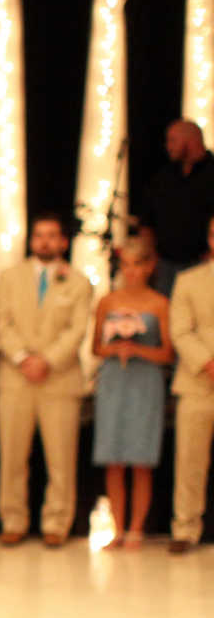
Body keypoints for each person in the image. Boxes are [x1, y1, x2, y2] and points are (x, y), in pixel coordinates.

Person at [0, 214, 94, 547]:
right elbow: (2, 322)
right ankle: (13, 519)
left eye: (52, 236)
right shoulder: (9, 277)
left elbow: (76, 329)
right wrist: (22, 358)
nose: (45, 242)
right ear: (31, 240)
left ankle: (57, 522)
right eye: (39, 236)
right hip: (15, 378)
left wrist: (47, 360)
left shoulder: (79, 281)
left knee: (60, 457)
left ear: (63, 242)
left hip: (59, 380)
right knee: (11, 455)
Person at [91, 239, 173, 549]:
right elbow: (95, 347)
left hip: (145, 381)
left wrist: (138, 349)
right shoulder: (107, 302)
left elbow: (168, 353)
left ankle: (137, 528)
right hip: (114, 380)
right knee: (113, 457)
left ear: (150, 267)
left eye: (138, 264)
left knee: (140, 457)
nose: (132, 271)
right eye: (126, 264)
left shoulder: (159, 304)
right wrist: (114, 348)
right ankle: (118, 528)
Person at [169, 219, 214, 553]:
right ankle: (185, 528)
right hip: (198, 382)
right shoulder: (188, 280)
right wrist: (208, 363)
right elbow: (181, 330)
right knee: (190, 460)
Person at [139, 119, 214, 297]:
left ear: (191, 140)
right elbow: (147, 222)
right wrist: (151, 257)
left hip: (203, 264)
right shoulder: (163, 177)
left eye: (173, 140)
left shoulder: (212, 174)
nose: (168, 146)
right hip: (165, 266)